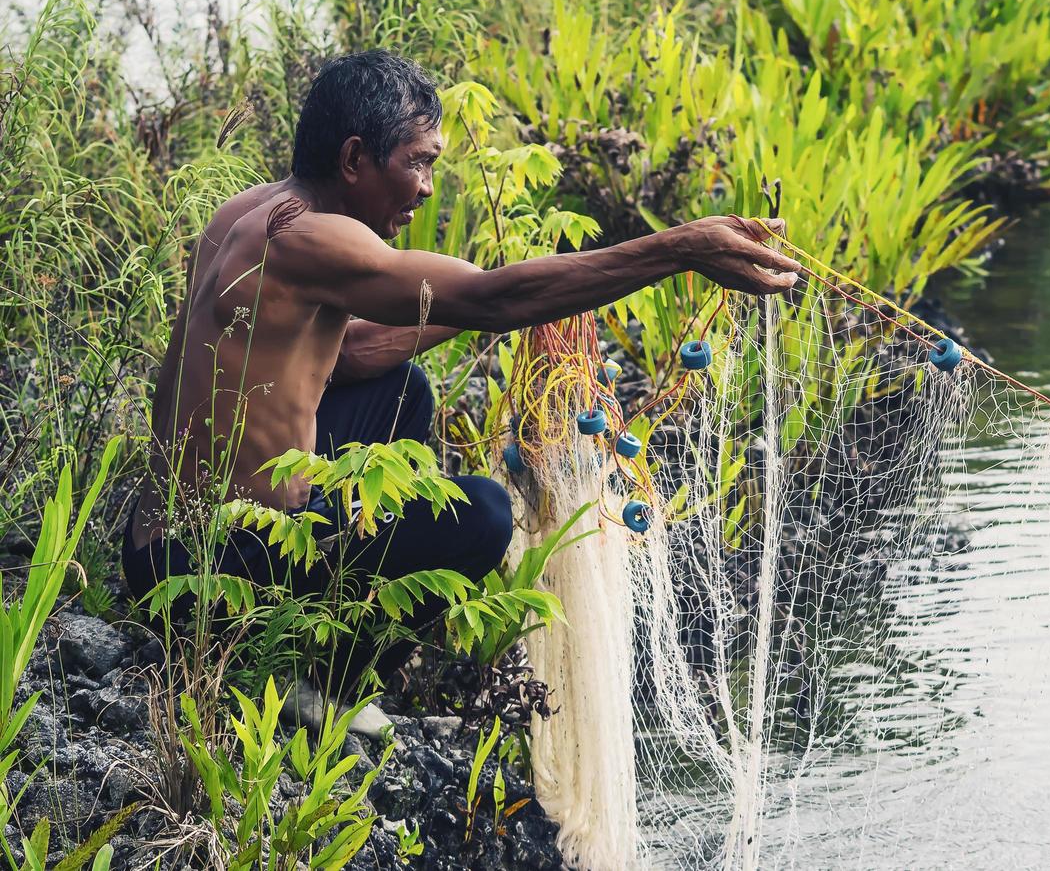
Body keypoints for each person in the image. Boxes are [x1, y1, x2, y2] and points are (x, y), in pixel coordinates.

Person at [121, 50, 800, 735]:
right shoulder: (309, 238)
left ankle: (322, 623)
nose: (424, 188)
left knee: (401, 390)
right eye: (416, 163)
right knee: (481, 516)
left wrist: (543, 305)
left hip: (158, 544)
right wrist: (676, 250)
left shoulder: (251, 210)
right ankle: (313, 678)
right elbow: (489, 297)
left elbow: (349, 352)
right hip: (216, 576)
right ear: (354, 159)